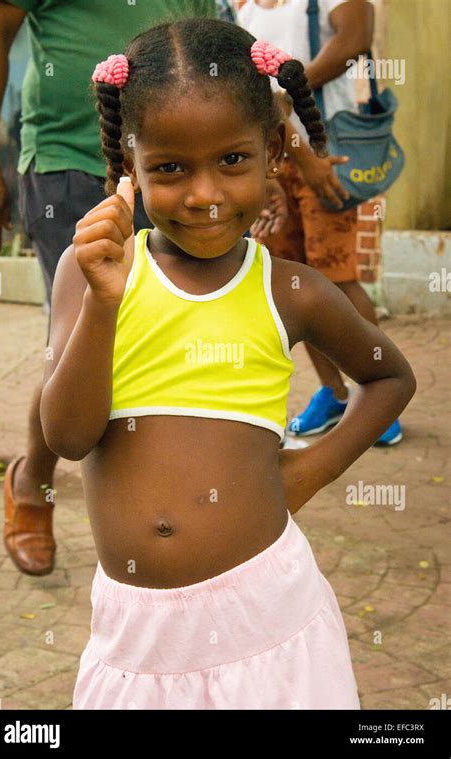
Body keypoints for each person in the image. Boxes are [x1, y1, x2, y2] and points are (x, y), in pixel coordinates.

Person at [39, 18, 416, 709]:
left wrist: (305, 473)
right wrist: (102, 303)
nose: (205, 194)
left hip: (269, 622)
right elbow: (67, 435)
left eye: (232, 161)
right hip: (137, 643)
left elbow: (391, 377)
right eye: (170, 168)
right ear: (131, 162)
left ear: (274, 150)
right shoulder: (92, 273)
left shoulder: (290, 290)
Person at [0, 0, 220, 576]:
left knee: (173, 333)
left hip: (177, 164)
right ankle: (34, 478)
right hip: (71, 163)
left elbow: (213, 41)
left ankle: (169, 496)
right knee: (80, 338)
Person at [238, 0, 403, 446]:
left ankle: (378, 392)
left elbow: (355, 37)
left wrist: (287, 92)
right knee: (293, 282)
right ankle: (333, 392)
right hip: (274, 157)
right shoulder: (244, 10)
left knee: (338, 276)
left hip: (325, 154)